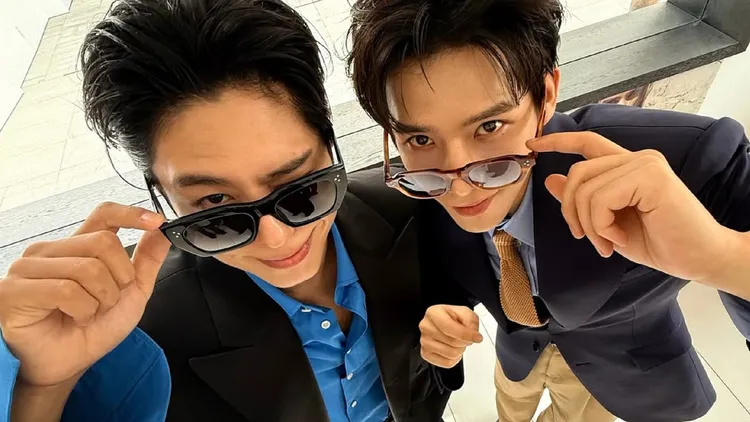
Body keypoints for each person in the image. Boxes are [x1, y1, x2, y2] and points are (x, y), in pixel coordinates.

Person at [0, 1, 458, 421]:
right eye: (215, 203)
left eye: (296, 184)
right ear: (162, 196)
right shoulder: (140, 329)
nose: (275, 237)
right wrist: (45, 386)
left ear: (330, 144)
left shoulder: (416, 210)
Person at [346, 0, 750, 421]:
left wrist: (722, 258)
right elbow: (452, 267)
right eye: (421, 140)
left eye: (489, 127)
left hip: (617, 375)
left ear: (547, 95)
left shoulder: (680, 157)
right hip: (515, 356)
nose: (460, 184)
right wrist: (442, 316)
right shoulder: (421, 187)